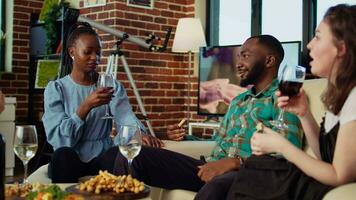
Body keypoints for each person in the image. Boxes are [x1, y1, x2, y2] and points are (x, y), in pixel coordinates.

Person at [113, 35, 304, 194]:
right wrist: (184, 137)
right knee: (133, 155)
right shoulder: (239, 101)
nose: (238, 63)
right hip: (211, 166)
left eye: (245, 56)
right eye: (238, 56)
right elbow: (218, 141)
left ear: (269, 60)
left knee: (216, 186)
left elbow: (290, 150)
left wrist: (235, 163)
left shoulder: (284, 97)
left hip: (247, 173)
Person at [227, 4, 356, 200]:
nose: (310, 45)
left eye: (318, 36)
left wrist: (282, 146)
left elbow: (339, 175)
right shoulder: (339, 95)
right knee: (256, 167)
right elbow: (324, 157)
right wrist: (304, 113)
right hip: (325, 178)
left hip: (332, 183)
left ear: (341, 48)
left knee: (257, 172)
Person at [42, 22, 163, 183]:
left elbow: (126, 117)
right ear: (72, 52)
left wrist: (137, 134)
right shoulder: (56, 88)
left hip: (102, 157)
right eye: (88, 52)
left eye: (98, 53)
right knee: (62, 155)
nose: (95, 58)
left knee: (117, 154)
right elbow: (61, 140)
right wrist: (86, 106)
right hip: (70, 156)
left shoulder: (110, 85)